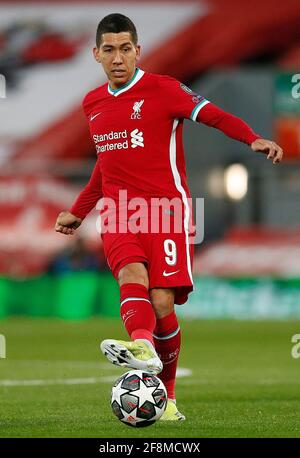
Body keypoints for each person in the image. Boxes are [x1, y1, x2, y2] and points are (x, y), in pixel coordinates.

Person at [55, 13, 283, 421]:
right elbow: (104, 167)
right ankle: (141, 346)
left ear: (138, 51)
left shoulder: (164, 90)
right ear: (96, 54)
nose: (118, 57)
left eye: (126, 48)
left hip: (166, 212)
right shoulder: (92, 103)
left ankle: (169, 398)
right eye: (109, 50)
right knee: (132, 277)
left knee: (162, 303)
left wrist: (253, 138)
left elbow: (215, 114)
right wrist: (79, 210)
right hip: (121, 212)